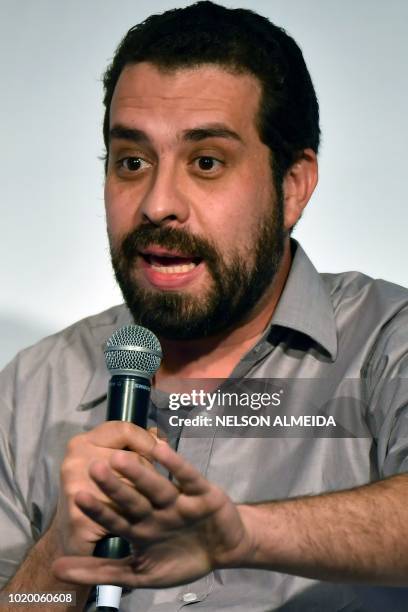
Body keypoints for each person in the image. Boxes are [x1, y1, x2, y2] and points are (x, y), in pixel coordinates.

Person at [1, 2, 408, 610]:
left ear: (291, 186)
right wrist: (58, 562)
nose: (157, 204)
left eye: (207, 162)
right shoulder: (32, 387)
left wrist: (244, 534)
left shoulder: (386, 339)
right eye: (132, 162)